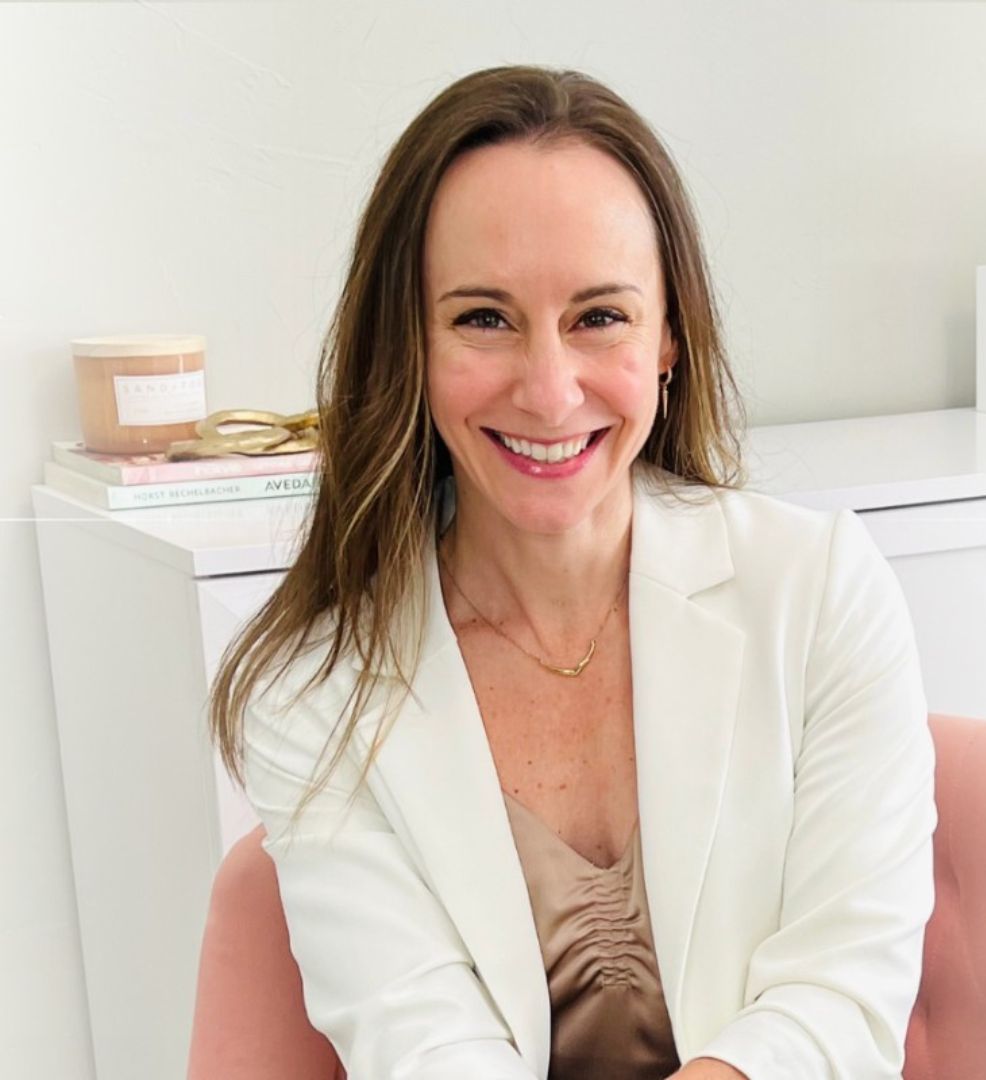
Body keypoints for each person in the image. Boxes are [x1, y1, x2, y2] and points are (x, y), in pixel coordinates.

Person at [209, 65, 936, 1080]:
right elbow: (424, 1051)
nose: (549, 393)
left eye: (599, 317)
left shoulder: (819, 591)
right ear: (408, 345)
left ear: (670, 335)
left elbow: (842, 1001)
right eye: (483, 318)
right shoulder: (313, 695)